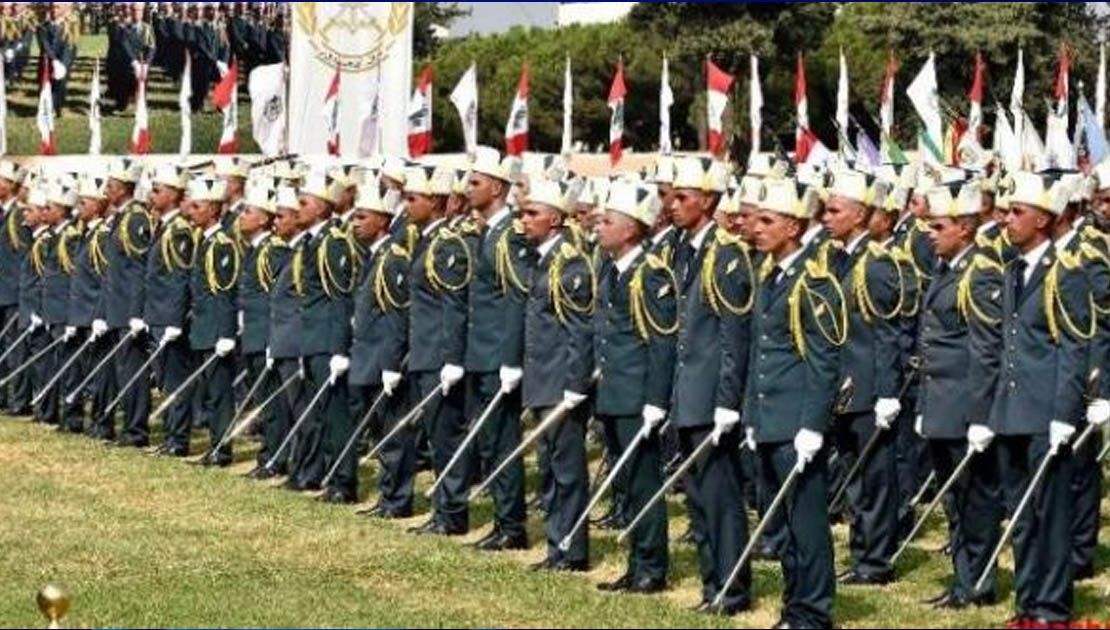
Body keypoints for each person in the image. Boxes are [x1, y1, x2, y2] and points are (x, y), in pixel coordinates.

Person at [988, 171, 1090, 627]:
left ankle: (1051, 607)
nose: (1006, 219)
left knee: (1049, 515)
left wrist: (1065, 414)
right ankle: (1028, 603)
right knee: (1022, 515)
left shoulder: (1065, 272)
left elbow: (1073, 346)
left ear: (1043, 220)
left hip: (1047, 412)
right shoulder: (1013, 269)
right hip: (1012, 411)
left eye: (1017, 212)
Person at [747, 175, 846, 630]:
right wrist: (752, 415)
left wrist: (813, 425)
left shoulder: (814, 281)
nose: (756, 228)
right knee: (782, 525)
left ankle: (814, 610)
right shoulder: (771, 276)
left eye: (767, 221)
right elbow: (761, 354)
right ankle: (794, 605)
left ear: (793, 227)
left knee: (806, 524)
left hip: (796, 424)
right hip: (770, 419)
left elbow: (824, 362)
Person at [668, 156, 754, 615]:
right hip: (688, 391)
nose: (672, 204)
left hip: (711, 396)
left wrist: (727, 401)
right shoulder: (685, 250)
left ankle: (732, 588)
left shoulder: (726, 254)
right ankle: (711, 582)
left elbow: (732, 336)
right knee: (699, 499)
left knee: (720, 499)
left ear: (706, 200)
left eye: (682, 197)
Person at [915, 181, 1003, 609]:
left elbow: (986, 351)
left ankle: (979, 584)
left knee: (975, 500)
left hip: (965, 405)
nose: (930, 234)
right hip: (940, 401)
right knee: (954, 499)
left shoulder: (980, 273)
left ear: (965, 228)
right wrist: (922, 403)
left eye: (939, 226)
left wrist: (982, 416)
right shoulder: (946, 268)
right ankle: (963, 579)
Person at [593, 178, 676, 595]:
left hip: (637, 397)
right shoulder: (612, 269)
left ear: (630, 229)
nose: (598, 226)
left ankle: (651, 567)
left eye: (607, 221)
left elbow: (661, 343)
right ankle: (636, 561)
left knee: (643, 484)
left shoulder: (651, 273)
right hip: (613, 394)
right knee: (625, 483)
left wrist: (656, 402)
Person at [821, 169, 902, 585]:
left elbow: (888, 334)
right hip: (842, 386)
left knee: (874, 479)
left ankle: (876, 560)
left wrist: (887, 393)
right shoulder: (837, 259)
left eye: (835, 211)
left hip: (869, 388)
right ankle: (861, 552)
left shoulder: (876, 263)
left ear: (858, 215)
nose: (826, 217)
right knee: (854, 477)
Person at [514, 176, 594, 572]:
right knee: (549, 468)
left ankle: (572, 549)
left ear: (555, 220)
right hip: (541, 379)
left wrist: (575, 385)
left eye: (533, 213)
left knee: (567, 471)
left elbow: (580, 331)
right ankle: (556, 544)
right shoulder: (540, 260)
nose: (524, 220)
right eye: (523, 213)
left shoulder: (570, 263)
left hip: (561, 383)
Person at [463, 147, 531, 552]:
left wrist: (511, 359)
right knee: (489, 440)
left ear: (497, 188)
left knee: (503, 441)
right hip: (481, 352)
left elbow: (516, 299)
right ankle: (503, 519)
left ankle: (512, 526)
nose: (467, 189)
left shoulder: (509, 235)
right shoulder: (489, 232)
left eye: (476, 182)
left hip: (497, 355)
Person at [402, 164, 472, 535]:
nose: (406, 205)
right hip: (424, 352)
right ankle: (443, 509)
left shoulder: (446, 245)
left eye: (412, 198)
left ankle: (452, 514)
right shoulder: (426, 240)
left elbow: (453, 306)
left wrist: (452, 359)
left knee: (447, 438)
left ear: (434, 201)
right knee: (435, 436)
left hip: (438, 356)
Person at [287, 172, 359, 501]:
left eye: (304, 203)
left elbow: (341, 298)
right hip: (313, 338)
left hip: (328, 341)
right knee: (320, 415)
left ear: (320, 208)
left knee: (335, 416)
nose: (297, 208)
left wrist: (340, 349)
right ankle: (322, 475)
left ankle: (344, 482)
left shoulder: (333, 242)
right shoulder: (313, 241)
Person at [348, 181, 411, 519]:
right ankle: (388, 495)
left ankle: (397, 499)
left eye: (363, 217)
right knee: (380, 431)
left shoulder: (393, 259)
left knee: (393, 433)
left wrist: (391, 364)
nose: (355, 223)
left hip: (382, 358)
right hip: (367, 356)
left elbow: (396, 316)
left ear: (383, 221)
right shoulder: (375, 256)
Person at [184, 177, 240, 467]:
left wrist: (227, 333)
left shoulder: (222, 244)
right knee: (210, 392)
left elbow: (226, 293)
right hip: (204, 327)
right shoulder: (204, 241)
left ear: (214, 209)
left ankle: (222, 449)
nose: (191, 211)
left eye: (197, 206)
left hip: (217, 329)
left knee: (220, 394)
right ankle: (215, 445)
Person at [141, 164, 196, 457]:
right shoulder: (163, 227)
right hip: (157, 314)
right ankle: (171, 434)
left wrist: (175, 320)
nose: (152, 195)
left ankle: (178, 440)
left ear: (173, 194)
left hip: (168, 317)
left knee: (175, 380)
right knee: (164, 380)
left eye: (157, 190)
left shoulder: (178, 231)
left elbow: (178, 278)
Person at [103, 159, 155, 448]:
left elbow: (138, 269)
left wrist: (136, 312)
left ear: (123, 188)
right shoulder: (122, 217)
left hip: (128, 310)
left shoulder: (135, 218)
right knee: (124, 371)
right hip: (117, 307)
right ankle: (129, 426)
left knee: (133, 372)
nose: (105, 190)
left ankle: (136, 431)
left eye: (110, 186)